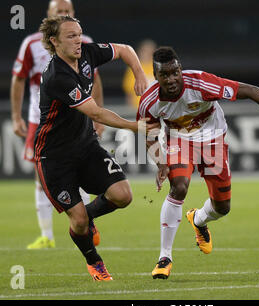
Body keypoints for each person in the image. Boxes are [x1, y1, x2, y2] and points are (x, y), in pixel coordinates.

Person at [137, 46, 259, 279]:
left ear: (180, 69)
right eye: (164, 75)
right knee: (179, 186)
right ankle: (165, 257)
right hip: (179, 141)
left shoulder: (201, 83)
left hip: (213, 140)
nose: (171, 79)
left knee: (222, 207)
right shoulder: (149, 101)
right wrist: (160, 161)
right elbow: (148, 130)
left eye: (175, 72)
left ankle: (198, 219)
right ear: (156, 75)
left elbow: (251, 90)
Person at [35, 15, 156, 281]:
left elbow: (126, 50)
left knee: (123, 195)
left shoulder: (87, 53)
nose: (78, 40)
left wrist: (138, 74)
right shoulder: (57, 77)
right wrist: (136, 126)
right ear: (54, 42)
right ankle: (94, 261)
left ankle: (87, 217)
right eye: (70, 36)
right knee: (76, 222)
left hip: (85, 146)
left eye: (79, 34)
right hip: (54, 158)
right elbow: (97, 114)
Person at [10, 0, 104, 250]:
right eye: (58, 12)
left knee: (82, 172)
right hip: (40, 120)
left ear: (74, 15)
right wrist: (17, 116)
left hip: (78, 119)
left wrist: (97, 115)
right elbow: (18, 79)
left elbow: (95, 80)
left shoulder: (83, 42)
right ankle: (47, 235)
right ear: (49, 17)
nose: (63, 14)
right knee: (43, 177)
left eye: (67, 12)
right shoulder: (31, 44)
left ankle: (86, 221)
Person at [122, 39, 156, 109]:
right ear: (139, 52)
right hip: (138, 109)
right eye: (145, 51)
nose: (147, 54)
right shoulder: (133, 68)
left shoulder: (158, 68)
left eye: (150, 52)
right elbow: (129, 93)